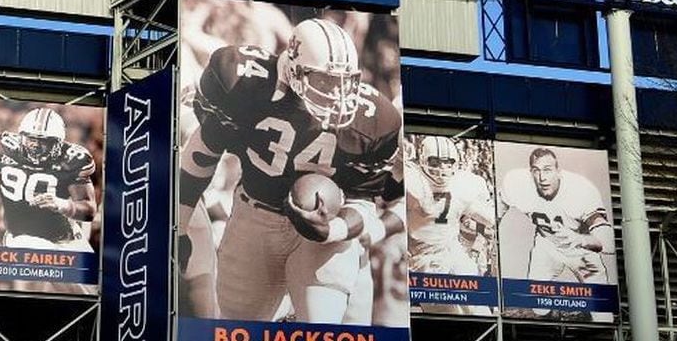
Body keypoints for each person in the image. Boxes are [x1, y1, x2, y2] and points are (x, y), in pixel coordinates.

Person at [177, 17, 404, 324]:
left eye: (346, 81)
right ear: (294, 68)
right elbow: (205, 150)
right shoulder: (243, 80)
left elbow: (364, 200)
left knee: (322, 325)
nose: (338, 94)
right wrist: (179, 223)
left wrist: (332, 230)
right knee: (239, 327)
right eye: (325, 81)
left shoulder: (375, 119)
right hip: (256, 218)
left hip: (325, 226)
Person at [498, 147, 614, 321]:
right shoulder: (517, 182)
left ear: (558, 172)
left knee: (604, 317)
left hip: (581, 251)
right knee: (539, 307)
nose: (542, 178)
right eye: (536, 171)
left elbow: (608, 243)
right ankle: (555, 319)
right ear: (530, 172)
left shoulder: (581, 190)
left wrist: (579, 239)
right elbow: (497, 208)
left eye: (547, 170)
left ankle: (584, 317)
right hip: (547, 244)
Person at [0, 107, 98, 251]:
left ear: (57, 143)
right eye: (30, 139)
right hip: (24, 237)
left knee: (94, 271)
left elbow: (89, 210)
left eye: (43, 142)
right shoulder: (4, 148)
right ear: (21, 136)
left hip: (67, 237)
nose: (35, 145)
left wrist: (63, 204)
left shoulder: (71, 159)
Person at [404, 135, 495, 315]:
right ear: (422, 159)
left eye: (447, 162)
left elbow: (488, 218)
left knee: (478, 312)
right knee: (449, 318)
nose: (442, 169)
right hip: (422, 258)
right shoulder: (412, 180)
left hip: (452, 251)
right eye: (435, 162)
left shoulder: (463, 184)